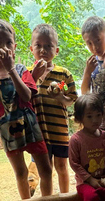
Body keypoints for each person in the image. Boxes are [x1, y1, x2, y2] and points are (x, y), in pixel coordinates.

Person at [0, 19, 52, 199]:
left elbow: (27, 96)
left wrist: (11, 69)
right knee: (20, 173)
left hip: (30, 127)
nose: (3, 46)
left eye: (8, 42)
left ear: (15, 47)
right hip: (7, 132)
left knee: (46, 170)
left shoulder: (20, 70)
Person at [28, 23, 77, 194]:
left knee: (62, 166)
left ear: (56, 50)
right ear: (31, 49)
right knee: (44, 170)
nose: (43, 50)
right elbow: (23, 98)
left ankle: (64, 196)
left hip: (60, 130)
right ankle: (47, 198)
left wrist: (59, 97)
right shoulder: (27, 73)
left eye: (48, 46)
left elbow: (71, 99)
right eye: (38, 46)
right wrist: (32, 77)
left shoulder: (63, 74)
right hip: (37, 133)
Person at [69, 94, 105, 201]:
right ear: (80, 118)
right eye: (89, 116)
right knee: (91, 197)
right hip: (85, 182)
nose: (95, 120)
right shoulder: (76, 140)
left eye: (98, 115)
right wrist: (90, 179)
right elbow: (74, 163)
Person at [81, 16, 105, 133]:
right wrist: (87, 72)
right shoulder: (92, 63)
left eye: (98, 40)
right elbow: (85, 93)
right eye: (89, 43)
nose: (94, 47)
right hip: (98, 121)